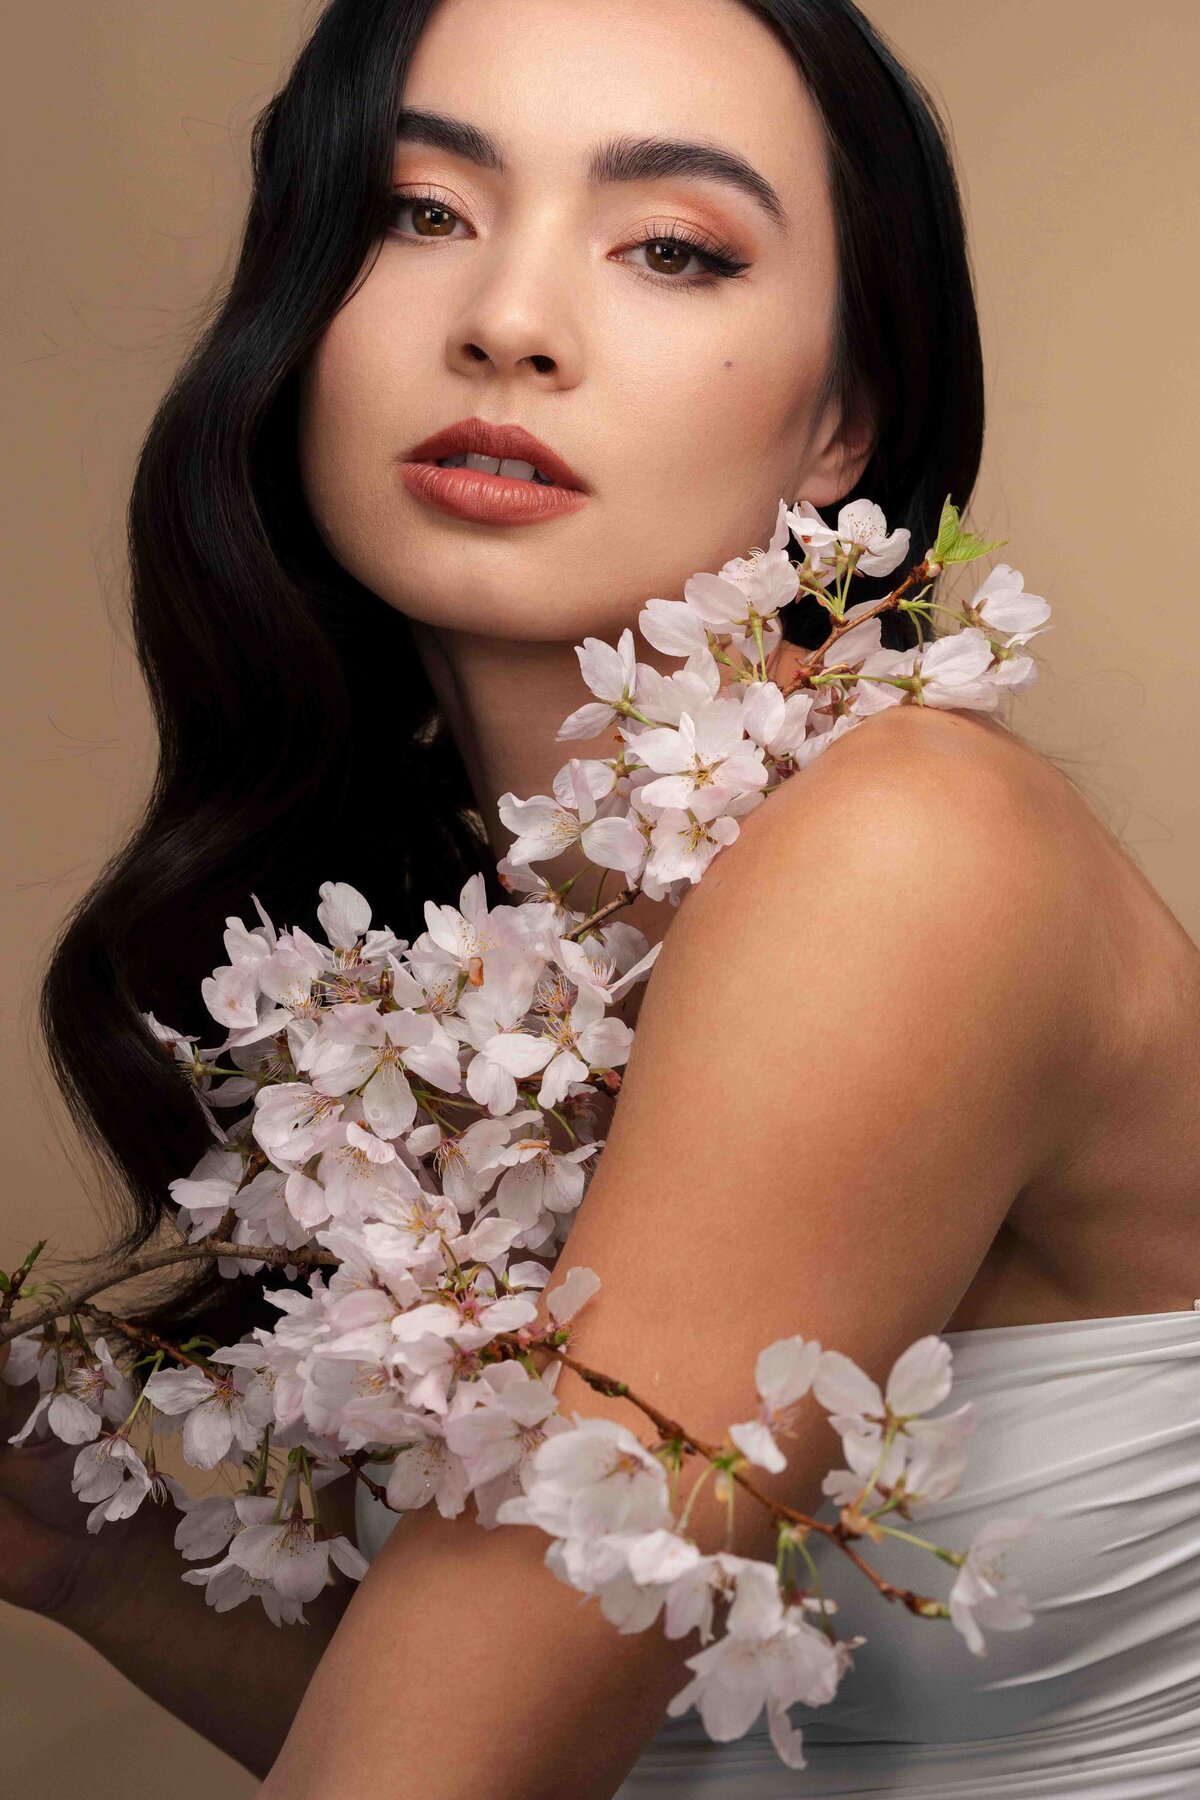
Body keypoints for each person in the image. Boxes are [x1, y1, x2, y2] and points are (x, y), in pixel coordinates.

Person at [6, 0, 1200, 1792]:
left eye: (671, 248)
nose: (504, 321)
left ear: (840, 426)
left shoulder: (915, 852)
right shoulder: (457, 963)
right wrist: (73, 1553)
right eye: (419, 211)